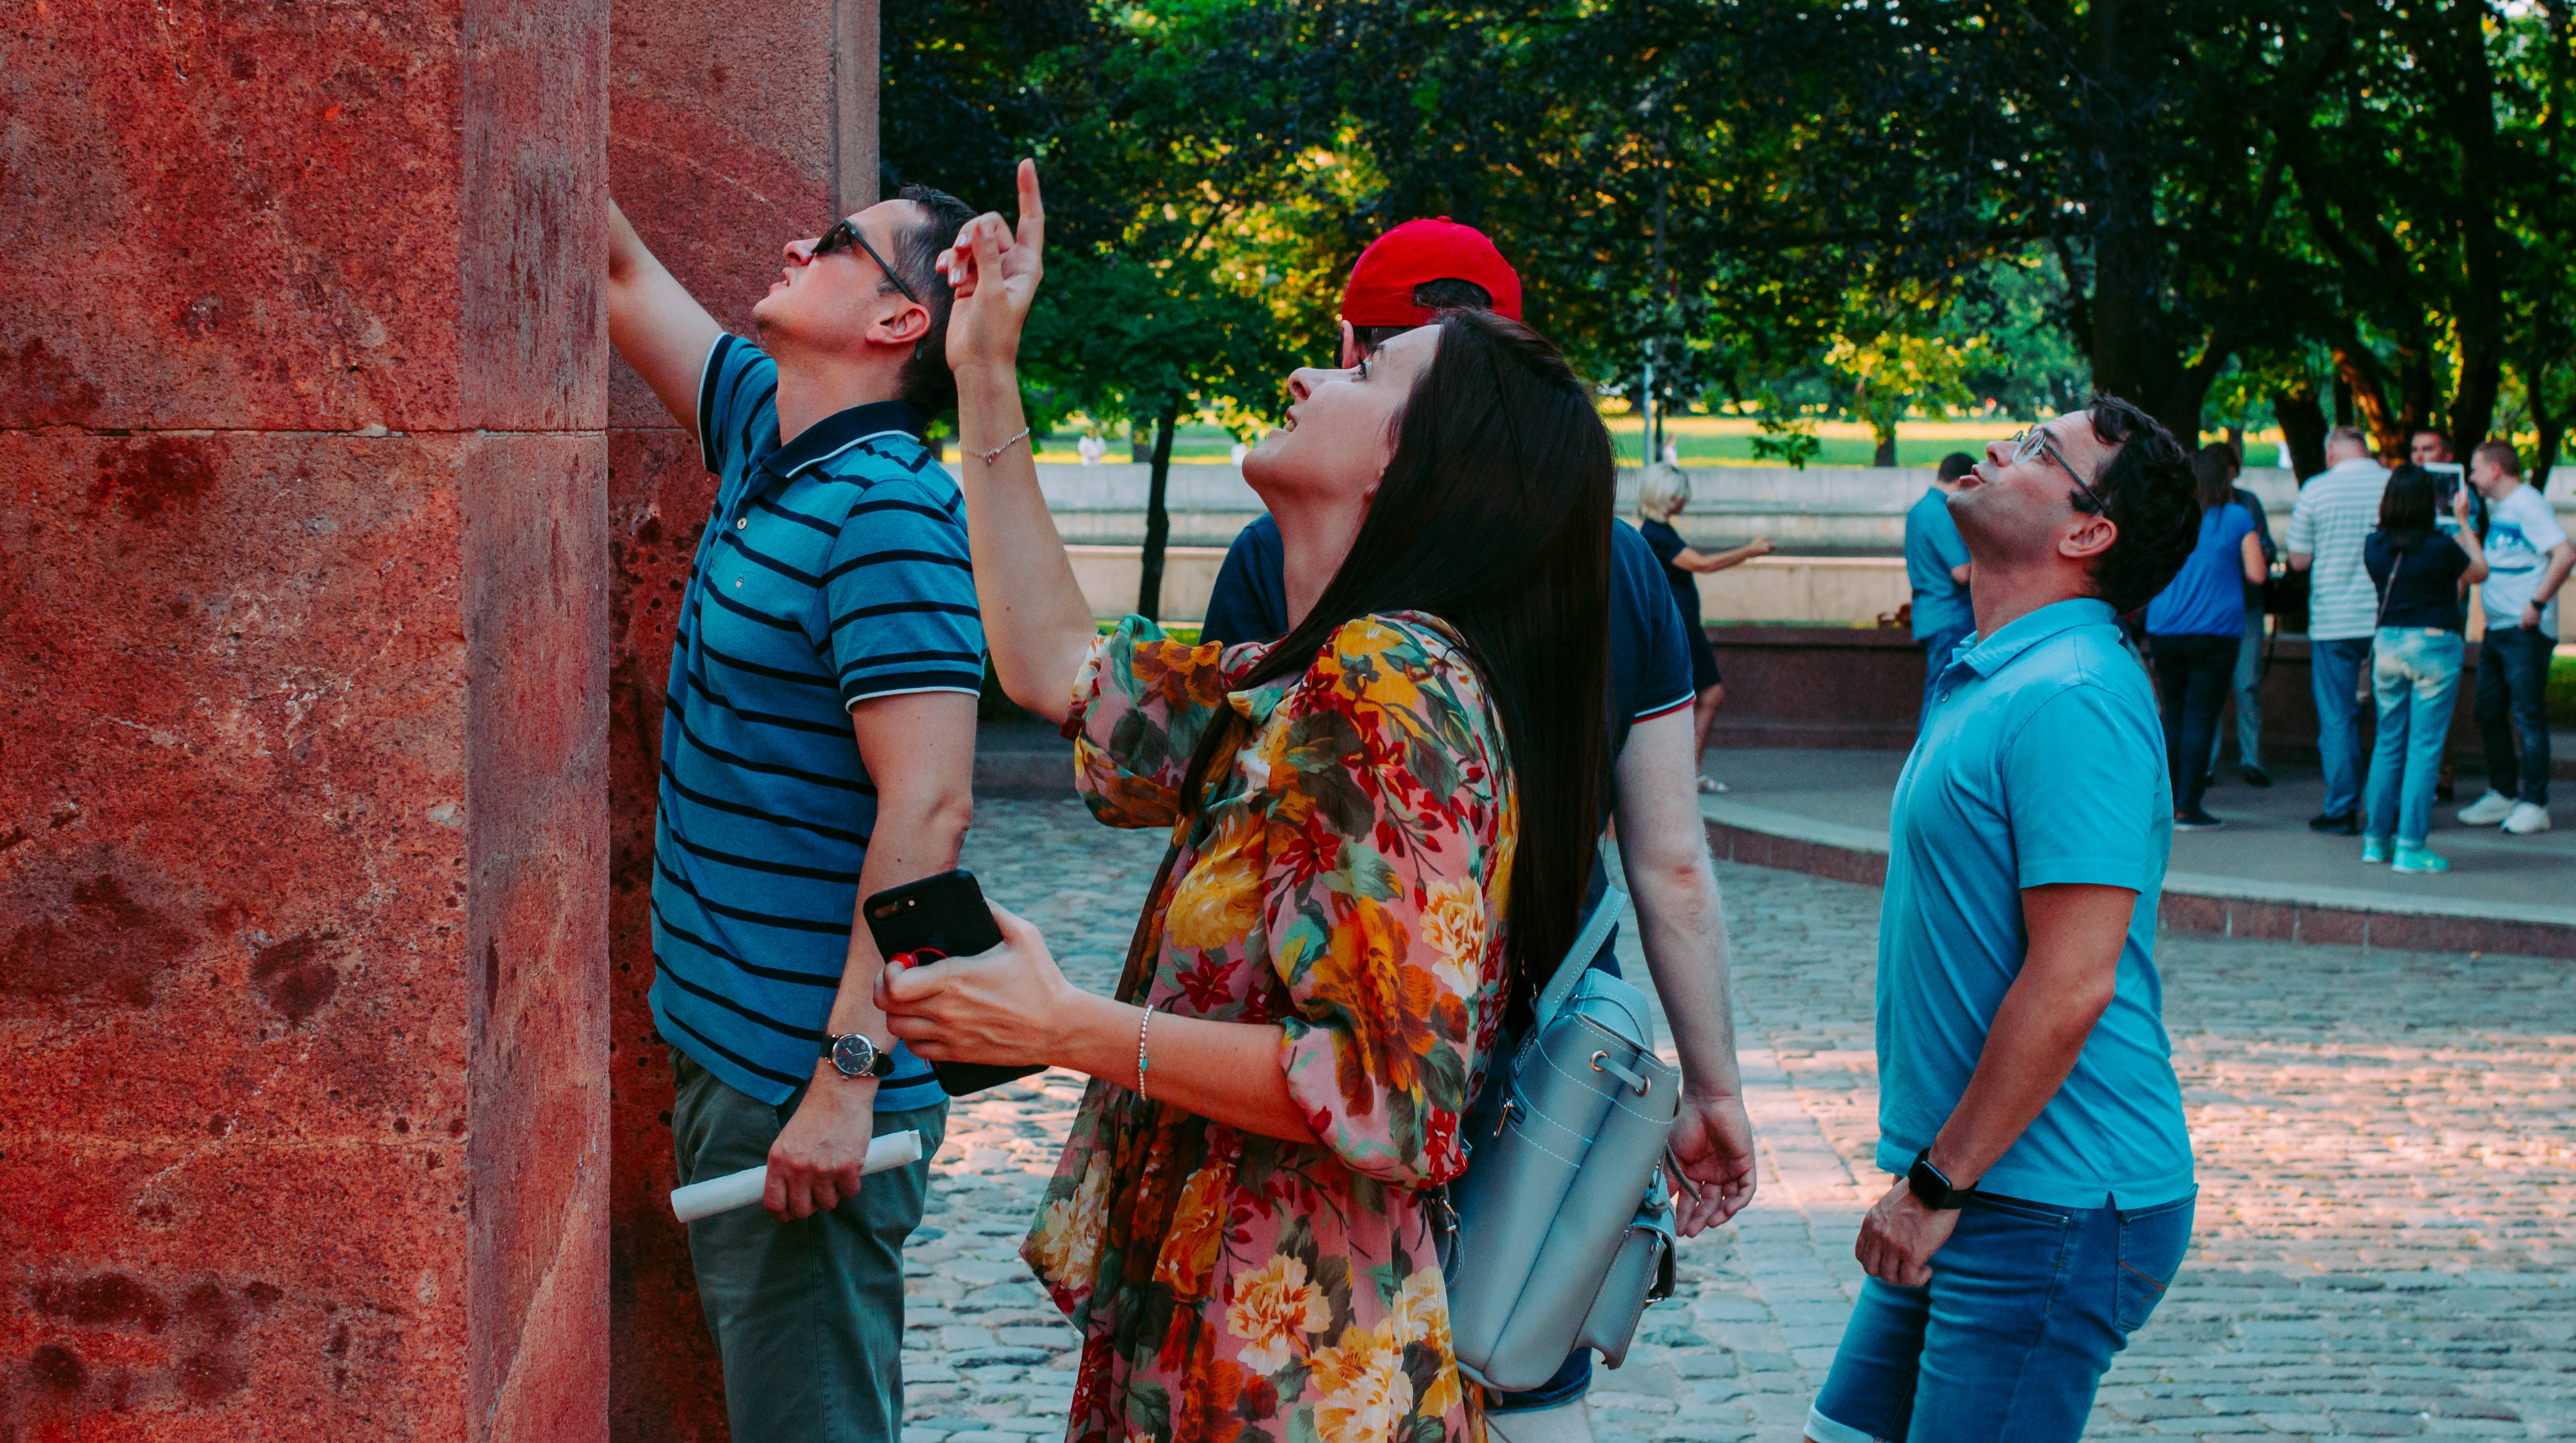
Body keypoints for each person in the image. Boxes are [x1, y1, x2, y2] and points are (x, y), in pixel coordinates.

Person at [887, 161, 1752, 1443]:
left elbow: (1390, 1095)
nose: (1307, 375)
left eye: (1363, 372)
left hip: (1283, 1365)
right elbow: (1056, 663)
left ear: (1417, 465)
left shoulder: (1390, 683)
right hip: (1228, 1322)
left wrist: (1065, 1024)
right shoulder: (1308, 674)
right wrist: (984, 369)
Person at [1200, 214, 1758, 1440]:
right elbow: (1667, 859)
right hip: (1537, 1068)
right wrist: (1711, 1086)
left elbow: (1226, 839)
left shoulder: (1274, 542)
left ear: (1349, 348)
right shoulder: (1621, 564)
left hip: (1315, 1069)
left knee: (1317, 1375)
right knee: (1516, 1370)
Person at [604, 180, 982, 1443]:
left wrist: (846, 1081)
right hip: (736, 1052)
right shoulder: (765, 428)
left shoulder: (889, 512)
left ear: (898, 320)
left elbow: (930, 804)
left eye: (833, 244)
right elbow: (616, 271)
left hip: (806, 1082)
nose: (791, 245)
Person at [1804, 397, 2203, 1443]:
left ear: (2086, 533)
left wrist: (1936, 1184)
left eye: (2036, 450)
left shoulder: (2073, 694)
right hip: (1978, 1182)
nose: (1997, 447)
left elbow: (2073, 981)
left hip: (2046, 1201)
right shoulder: (2003, 669)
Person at [2362, 466, 2488, 872]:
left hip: (2388, 645)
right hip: (2433, 646)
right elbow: (2480, 571)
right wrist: (2464, 521)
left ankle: (2375, 841)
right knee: (2424, 748)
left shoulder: (2374, 545)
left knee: (2387, 743)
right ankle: (2410, 846)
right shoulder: (2441, 546)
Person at [2144, 449, 2269, 829]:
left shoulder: (2167, 516)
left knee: (2174, 713)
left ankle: (2166, 803)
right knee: (2201, 716)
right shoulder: (2237, 517)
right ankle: (2188, 807)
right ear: (2224, 479)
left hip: (2165, 627)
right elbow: (2258, 574)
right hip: (2216, 630)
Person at [1636, 461, 1776, 793]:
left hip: (1684, 628)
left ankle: (1687, 773)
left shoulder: (1659, 532)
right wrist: (1750, 551)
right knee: (1709, 694)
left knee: (1703, 695)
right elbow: (1703, 564)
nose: (1685, 501)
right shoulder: (1656, 534)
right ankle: (1688, 774)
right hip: (1681, 630)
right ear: (1667, 497)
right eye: (1681, 495)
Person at [2457, 441, 2573, 836]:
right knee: (2488, 710)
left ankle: (2534, 802)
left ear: (2495, 470)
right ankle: (2503, 792)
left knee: (2527, 715)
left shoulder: (2528, 505)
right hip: (2499, 627)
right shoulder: (2501, 509)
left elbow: (2565, 554)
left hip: (2525, 630)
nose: (2472, 478)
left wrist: (2536, 604)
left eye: (2476, 469)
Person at [2284, 425, 2390, 835]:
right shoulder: (2391, 484)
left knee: (2338, 718)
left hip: (2334, 620)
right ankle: (2388, 808)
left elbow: (2299, 559)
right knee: (2391, 717)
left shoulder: (2316, 489)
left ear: (2331, 452)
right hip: (2386, 617)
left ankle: (2342, 808)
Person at [2195, 443, 2277, 788]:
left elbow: (2266, 548)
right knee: (2210, 688)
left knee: (2247, 685)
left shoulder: (2247, 503)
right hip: (2215, 609)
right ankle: (2206, 763)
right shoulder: (2199, 505)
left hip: (2245, 606)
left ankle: (2251, 759)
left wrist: (2258, 551)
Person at [1904, 452, 1978, 727]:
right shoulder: (1942, 512)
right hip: (1951, 616)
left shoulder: (1919, 510)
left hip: (1929, 613)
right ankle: (1928, 751)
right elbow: (1962, 573)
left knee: (1940, 688)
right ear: (1962, 482)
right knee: (1944, 692)